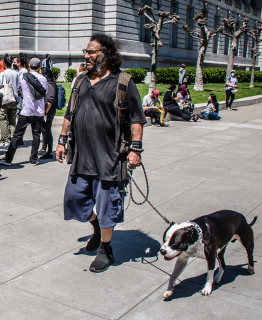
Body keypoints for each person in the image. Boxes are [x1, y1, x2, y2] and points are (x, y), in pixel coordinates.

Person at [56, 33, 146, 272]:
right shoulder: (80, 82)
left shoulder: (123, 82)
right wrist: (62, 140)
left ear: (106, 55)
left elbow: (137, 119)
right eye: (86, 52)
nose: (86, 56)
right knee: (74, 200)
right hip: (81, 156)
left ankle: (106, 249)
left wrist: (135, 149)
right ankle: (96, 228)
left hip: (110, 157)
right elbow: (69, 113)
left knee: (107, 206)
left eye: (92, 52)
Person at [0, 57, 48, 166]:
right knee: (36, 135)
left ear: (29, 66)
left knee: (17, 135)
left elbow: (18, 90)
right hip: (39, 111)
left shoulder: (24, 78)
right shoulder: (44, 79)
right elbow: (45, 94)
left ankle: (8, 159)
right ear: (39, 67)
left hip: (26, 110)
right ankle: (33, 159)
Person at [0, 56, 19, 150]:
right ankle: (13, 139)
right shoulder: (16, 73)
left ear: (4, 64)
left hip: (4, 99)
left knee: (3, 120)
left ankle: (6, 141)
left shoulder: (3, 74)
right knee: (12, 119)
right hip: (14, 98)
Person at [39, 67, 57, 158]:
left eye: (40, 74)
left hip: (49, 111)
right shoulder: (48, 84)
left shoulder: (50, 85)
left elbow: (49, 102)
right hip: (47, 111)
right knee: (44, 129)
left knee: (47, 130)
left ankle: (49, 152)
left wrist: (45, 112)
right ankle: (44, 148)